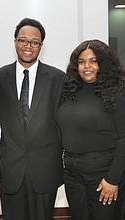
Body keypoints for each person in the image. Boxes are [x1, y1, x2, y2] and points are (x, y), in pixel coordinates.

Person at [0, 18, 65, 220]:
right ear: (15, 42)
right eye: (23, 40)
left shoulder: (59, 79)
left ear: (41, 45)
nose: (28, 46)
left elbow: (62, 123)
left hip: (45, 170)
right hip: (10, 170)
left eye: (34, 42)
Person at [56, 39, 125, 220]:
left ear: (104, 63)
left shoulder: (118, 91)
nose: (87, 66)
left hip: (104, 176)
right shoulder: (69, 90)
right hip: (72, 175)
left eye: (94, 61)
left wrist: (113, 179)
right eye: (81, 62)